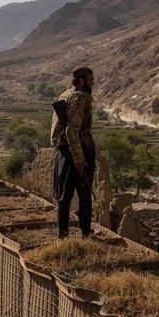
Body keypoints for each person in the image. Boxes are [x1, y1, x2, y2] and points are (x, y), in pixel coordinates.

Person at [51, 66, 96, 239]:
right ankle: (85, 236)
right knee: (84, 196)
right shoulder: (79, 97)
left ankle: (62, 235)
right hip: (78, 152)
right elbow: (72, 131)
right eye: (91, 80)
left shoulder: (66, 94)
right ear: (83, 80)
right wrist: (79, 158)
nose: (93, 83)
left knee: (64, 196)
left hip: (64, 151)